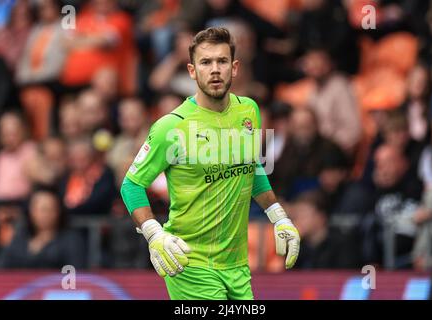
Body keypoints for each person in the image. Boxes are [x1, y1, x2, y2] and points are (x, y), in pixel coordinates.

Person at [120, 27, 300, 300]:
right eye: (206, 62)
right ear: (192, 71)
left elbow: (250, 166)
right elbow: (131, 185)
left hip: (237, 266)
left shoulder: (248, 111)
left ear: (234, 67)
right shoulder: (171, 127)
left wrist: (278, 217)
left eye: (222, 61)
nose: (214, 70)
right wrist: (154, 233)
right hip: (189, 261)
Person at [0, 186, 86, 269]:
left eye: (48, 209)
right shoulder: (19, 238)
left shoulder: (71, 240)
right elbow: (1, 268)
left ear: (58, 211)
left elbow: (75, 273)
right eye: (39, 209)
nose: (44, 215)